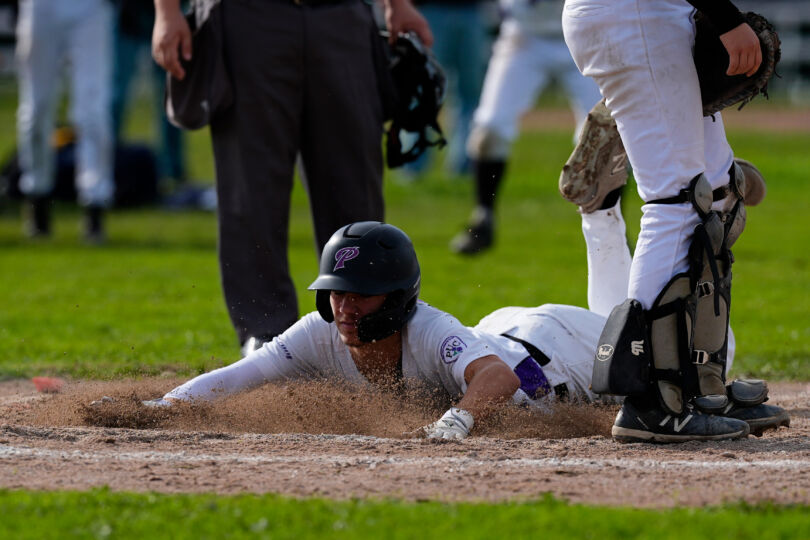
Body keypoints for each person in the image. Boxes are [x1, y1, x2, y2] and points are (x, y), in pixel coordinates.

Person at [139, 220, 787, 441]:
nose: (340, 309)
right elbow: (239, 376)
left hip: (553, 352)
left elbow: (496, 378)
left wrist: (460, 419)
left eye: (356, 296)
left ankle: (601, 215)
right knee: (638, 332)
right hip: (506, 333)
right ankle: (599, 213)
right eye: (334, 294)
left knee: (703, 351)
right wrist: (165, 407)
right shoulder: (320, 333)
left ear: (394, 300)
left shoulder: (427, 330)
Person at [151, 0, 433, 355]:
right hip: (248, 18)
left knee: (354, 188)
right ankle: (266, 336)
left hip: (341, 15)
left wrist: (399, 5)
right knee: (251, 188)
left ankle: (366, 333)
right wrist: (167, 12)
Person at [561, 0, 776, 441]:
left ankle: (701, 389)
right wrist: (727, 18)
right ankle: (653, 401)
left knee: (719, 197)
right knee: (678, 201)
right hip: (634, 16)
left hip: (653, 15)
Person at [451, 0, 604, 254]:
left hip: (585, 30)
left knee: (604, 136)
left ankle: (611, 227)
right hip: (526, 34)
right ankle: (483, 216)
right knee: (490, 129)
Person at [16, 0, 115, 242]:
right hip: (40, 6)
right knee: (37, 108)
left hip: (89, 7)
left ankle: (95, 206)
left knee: (92, 111)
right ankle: (37, 197)